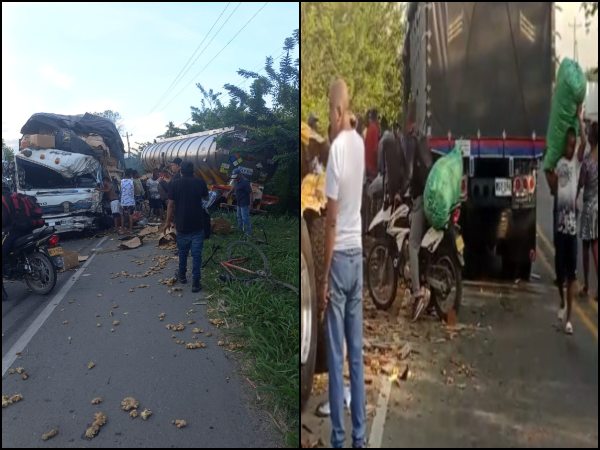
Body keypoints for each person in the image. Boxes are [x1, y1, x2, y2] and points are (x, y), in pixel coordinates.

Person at [322, 78, 366, 449]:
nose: (328, 120)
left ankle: (338, 440)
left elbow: (331, 220)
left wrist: (322, 276)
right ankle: (360, 438)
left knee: (336, 359)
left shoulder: (336, 150)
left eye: (328, 112)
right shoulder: (361, 145)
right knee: (357, 355)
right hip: (360, 257)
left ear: (338, 111)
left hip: (339, 260)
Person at [545, 105, 586, 334]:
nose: (571, 148)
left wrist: (579, 119)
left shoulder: (576, 163)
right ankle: (562, 301)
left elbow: (583, 143)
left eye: (573, 145)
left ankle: (569, 318)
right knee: (560, 273)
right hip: (558, 222)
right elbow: (552, 189)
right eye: (569, 145)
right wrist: (547, 170)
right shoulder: (559, 164)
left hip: (571, 226)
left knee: (571, 275)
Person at [404, 102, 433, 321]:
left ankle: (417, 291)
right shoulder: (423, 139)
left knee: (412, 246)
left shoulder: (412, 141)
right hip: (429, 196)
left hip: (420, 199)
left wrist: (404, 189)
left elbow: (411, 172)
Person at [163, 161, 209, 293]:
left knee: (183, 253)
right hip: (197, 225)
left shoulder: (174, 184)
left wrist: (167, 222)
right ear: (193, 171)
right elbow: (206, 198)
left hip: (182, 225)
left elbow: (170, 205)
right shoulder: (200, 182)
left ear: (180, 171)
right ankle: (196, 282)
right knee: (196, 254)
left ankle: (182, 276)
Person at [578, 121, 598, 301]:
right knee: (596, 245)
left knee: (586, 245)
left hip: (589, 206)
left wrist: (576, 193)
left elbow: (581, 183)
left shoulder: (587, 161)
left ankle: (586, 285)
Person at [231, 167, 252, 236]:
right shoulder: (236, 181)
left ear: (240, 174)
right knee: (239, 216)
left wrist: (251, 204)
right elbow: (234, 188)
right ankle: (240, 229)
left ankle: (248, 233)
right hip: (239, 202)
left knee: (245, 218)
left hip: (244, 203)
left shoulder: (245, 182)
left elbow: (250, 193)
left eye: (236, 176)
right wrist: (229, 193)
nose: (235, 178)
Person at [364, 109, 380, 181]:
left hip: (367, 165)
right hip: (373, 168)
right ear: (376, 117)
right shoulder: (375, 129)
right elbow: (375, 149)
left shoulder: (369, 129)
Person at [120, 169, 135, 233]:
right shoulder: (132, 181)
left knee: (123, 216)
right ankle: (130, 230)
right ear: (130, 174)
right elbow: (133, 190)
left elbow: (121, 190)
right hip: (130, 201)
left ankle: (122, 230)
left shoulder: (122, 181)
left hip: (123, 202)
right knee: (130, 216)